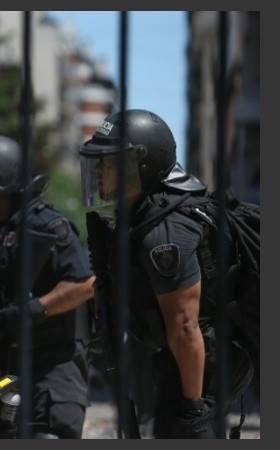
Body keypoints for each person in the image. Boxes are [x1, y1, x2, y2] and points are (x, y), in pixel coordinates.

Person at [78, 109, 255, 438]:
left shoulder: (164, 232)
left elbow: (185, 326)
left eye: (109, 162)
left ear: (140, 165)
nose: (99, 170)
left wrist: (194, 407)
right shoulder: (143, 217)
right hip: (185, 361)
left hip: (203, 367)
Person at [0, 135, 95, 438]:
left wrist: (34, 310)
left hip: (51, 361)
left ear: (3, 176)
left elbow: (84, 283)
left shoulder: (45, 224)